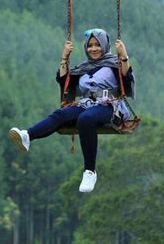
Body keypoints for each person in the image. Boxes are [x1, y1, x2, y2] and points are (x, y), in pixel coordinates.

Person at [8, 28, 135, 192]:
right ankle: (27, 136)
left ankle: (90, 171)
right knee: (60, 115)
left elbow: (126, 76)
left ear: (105, 45)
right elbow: (64, 81)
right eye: (90, 46)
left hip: (110, 106)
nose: (94, 49)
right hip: (87, 104)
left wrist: (123, 55)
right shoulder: (83, 67)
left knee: (86, 119)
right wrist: (64, 57)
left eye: (97, 45)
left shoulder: (114, 63)